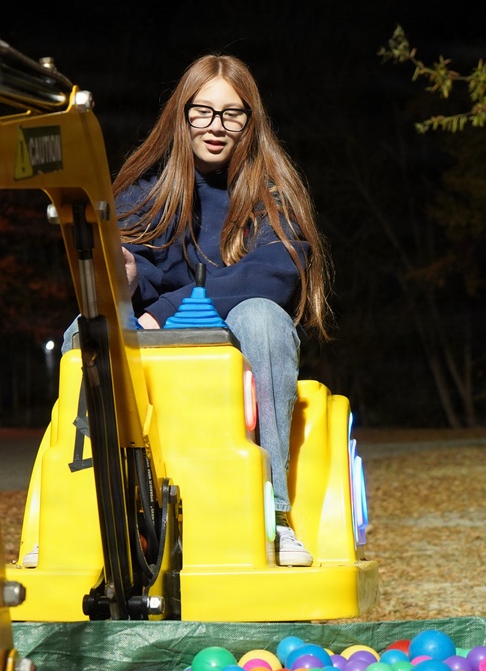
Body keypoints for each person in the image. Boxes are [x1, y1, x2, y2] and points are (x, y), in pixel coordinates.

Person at [58, 53, 331, 568]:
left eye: (232, 114)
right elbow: (133, 268)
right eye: (202, 111)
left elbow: (273, 272)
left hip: (234, 346)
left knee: (262, 317)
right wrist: (127, 277)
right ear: (181, 115)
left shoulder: (272, 195)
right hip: (156, 351)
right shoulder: (145, 190)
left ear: (250, 121)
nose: (216, 126)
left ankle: (273, 514)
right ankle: (83, 508)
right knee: (85, 328)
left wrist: (166, 309)